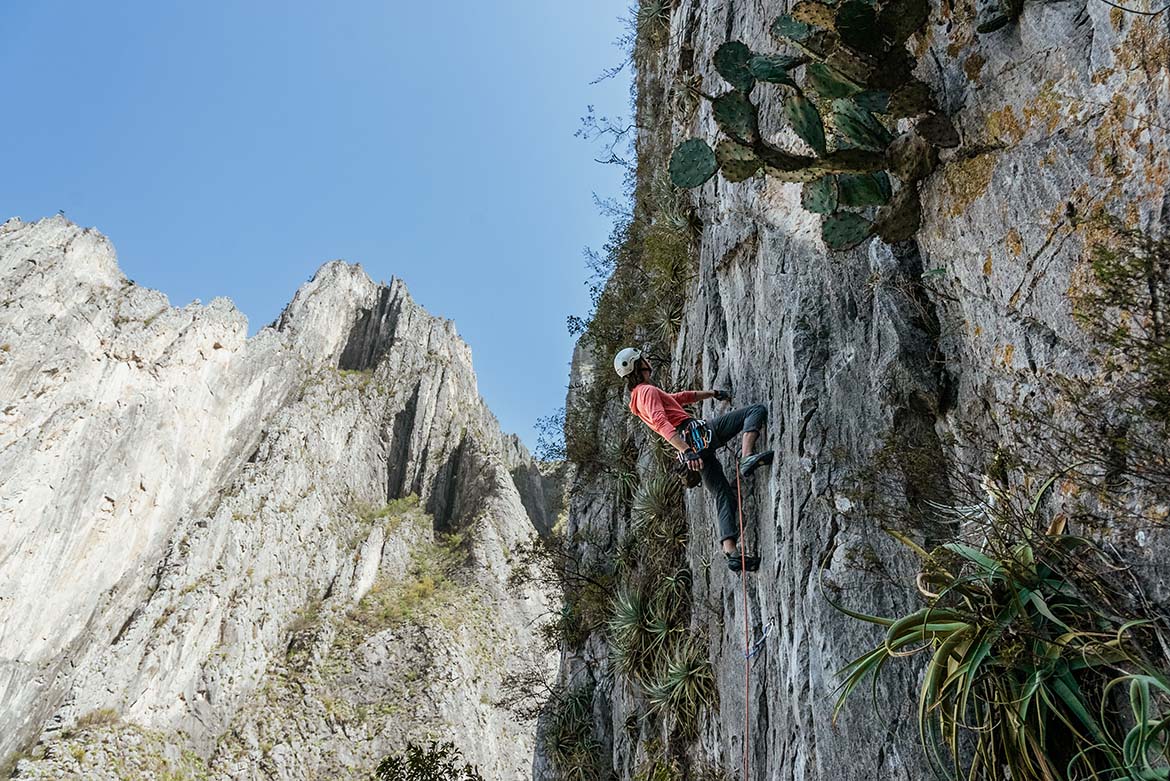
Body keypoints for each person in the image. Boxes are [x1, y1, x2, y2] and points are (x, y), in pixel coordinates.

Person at [614, 346, 773, 572]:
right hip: (695, 437)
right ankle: (747, 457)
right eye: (643, 359)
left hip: (692, 451)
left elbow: (680, 398)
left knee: (722, 493)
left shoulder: (640, 398)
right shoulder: (646, 391)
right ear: (639, 365)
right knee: (754, 411)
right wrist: (687, 449)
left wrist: (713, 394)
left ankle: (731, 551)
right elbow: (661, 423)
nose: (648, 360)